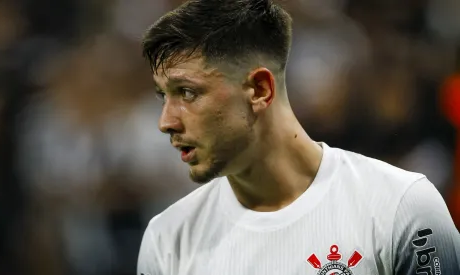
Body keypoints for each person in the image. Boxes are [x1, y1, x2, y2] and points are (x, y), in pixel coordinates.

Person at [137, 0, 460, 274]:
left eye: (188, 92)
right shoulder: (168, 239)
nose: (166, 122)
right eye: (162, 96)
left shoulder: (402, 206)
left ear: (260, 89)